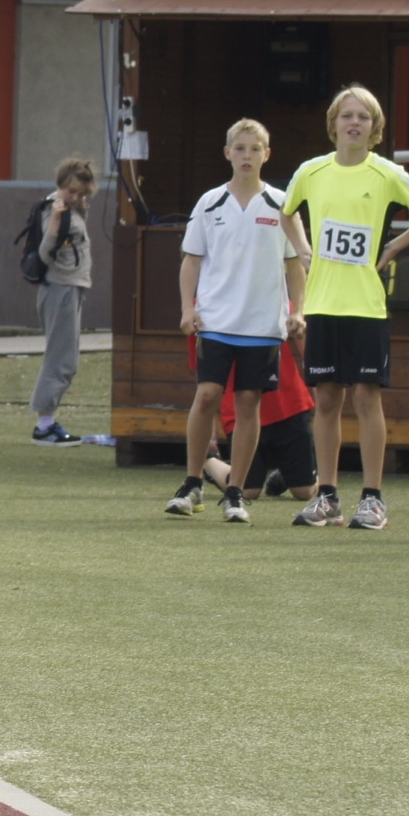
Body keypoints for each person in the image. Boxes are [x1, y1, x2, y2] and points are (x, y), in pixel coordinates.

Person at [281, 85, 409, 530]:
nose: (354, 123)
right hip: (322, 304)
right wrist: (301, 248)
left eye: (364, 117)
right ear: (334, 123)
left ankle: (372, 499)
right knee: (327, 398)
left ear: (374, 129)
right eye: (347, 115)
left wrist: (393, 246)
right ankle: (328, 496)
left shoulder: (386, 173)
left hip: (367, 307)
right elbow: (286, 211)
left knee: (366, 396)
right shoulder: (311, 172)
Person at [169, 119, 306, 523]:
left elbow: (296, 264)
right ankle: (192, 483)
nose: (247, 155)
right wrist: (187, 309)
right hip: (215, 321)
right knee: (208, 394)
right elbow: (191, 260)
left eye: (255, 148)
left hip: (262, 325)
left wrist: (298, 311)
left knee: (249, 403)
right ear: (227, 152)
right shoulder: (209, 202)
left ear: (268, 154)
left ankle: (235, 493)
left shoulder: (283, 204)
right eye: (240, 148)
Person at [23, 156, 95, 446]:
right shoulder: (54, 210)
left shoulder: (71, 208)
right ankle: (44, 425)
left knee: (66, 358)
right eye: (72, 191)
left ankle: (46, 421)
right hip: (60, 288)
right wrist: (54, 222)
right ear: (61, 186)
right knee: (61, 358)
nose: (76, 197)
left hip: (70, 287)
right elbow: (44, 252)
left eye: (81, 193)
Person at [200, 339, 319, 505]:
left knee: (304, 491)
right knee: (248, 491)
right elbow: (205, 376)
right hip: (238, 410)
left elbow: (302, 339)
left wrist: (318, 384)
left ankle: (287, 474)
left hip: (288, 403)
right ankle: (209, 462)